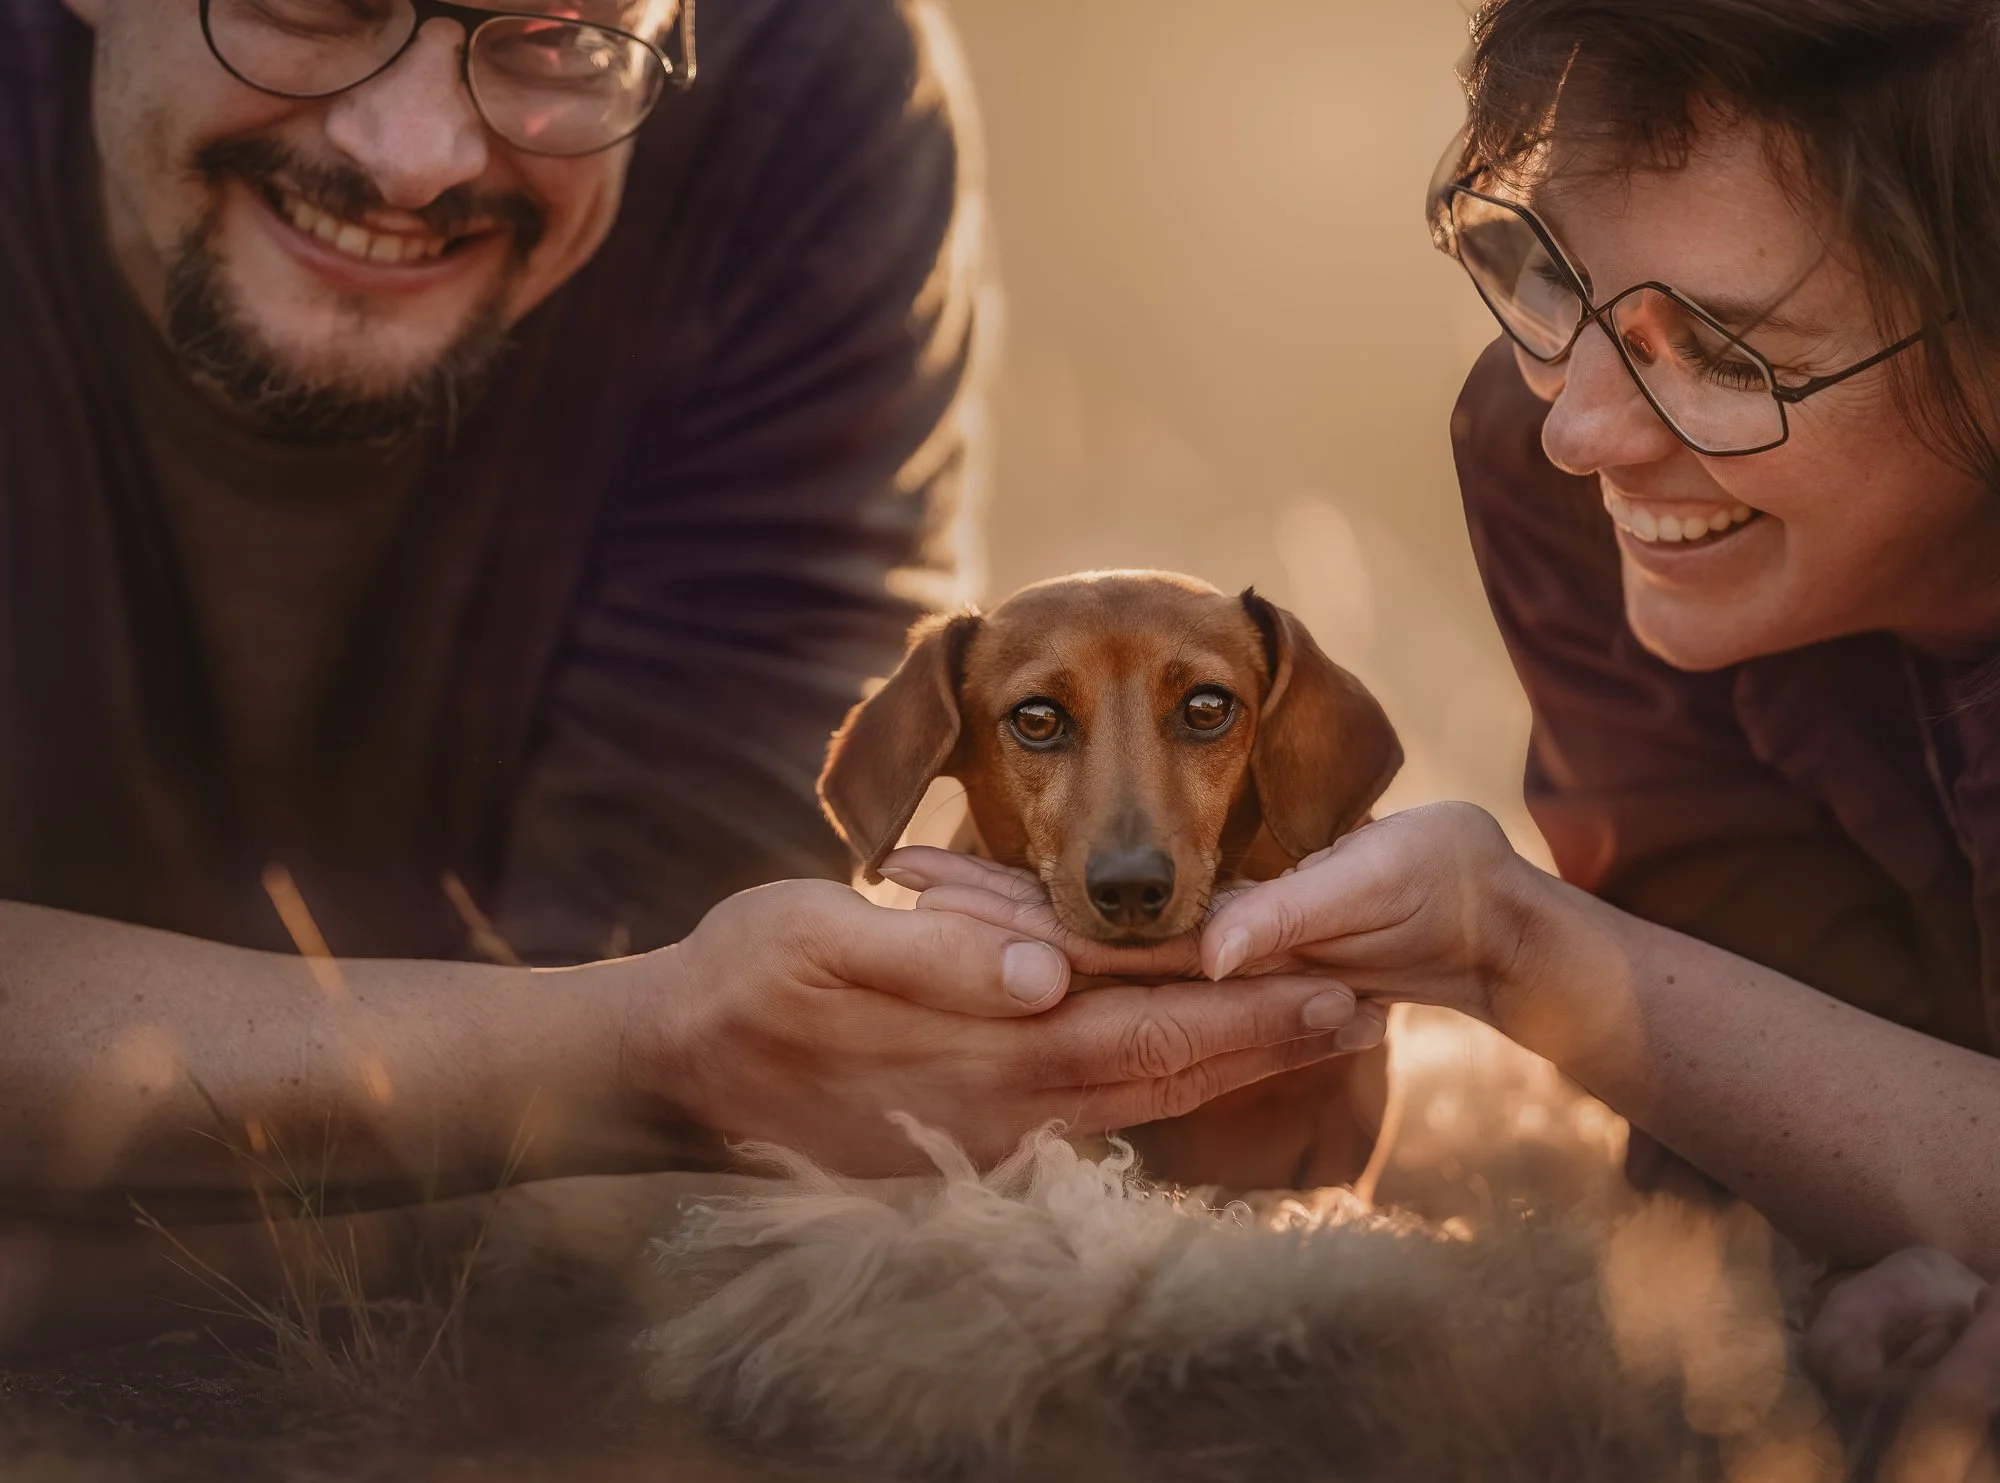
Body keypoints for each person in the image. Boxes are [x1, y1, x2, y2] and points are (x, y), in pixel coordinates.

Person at [0, 0, 1371, 1351]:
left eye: (556, 33)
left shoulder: (806, 98)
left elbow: (630, 1171)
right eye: (311, 2)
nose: (414, 152)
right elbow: (649, 1066)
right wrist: (641, 1049)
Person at [886, 0, 2000, 1455]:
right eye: (1551, 276)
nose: (1581, 429)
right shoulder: (1571, 493)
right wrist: (1506, 943)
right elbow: (1749, 1124)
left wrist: (1519, 945)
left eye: (1728, 353)